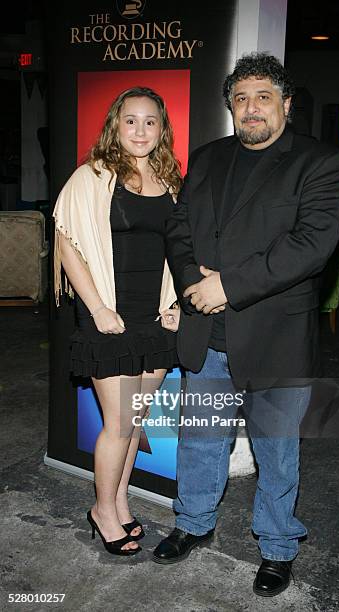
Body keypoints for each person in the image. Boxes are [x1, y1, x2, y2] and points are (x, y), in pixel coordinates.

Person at [153, 53, 339, 597]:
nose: (251, 108)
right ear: (231, 109)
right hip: (207, 333)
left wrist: (228, 286)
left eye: (263, 96)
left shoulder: (321, 162)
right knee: (200, 440)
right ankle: (192, 522)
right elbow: (178, 226)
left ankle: (278, 545)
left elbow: (310, 246)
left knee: (276, 449)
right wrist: (195, 281)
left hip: (274, 336)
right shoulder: (209, 158)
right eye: (240, 99)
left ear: (286, 104)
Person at [53, 86, 181, 556]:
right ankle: (102, 510)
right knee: (120, 423)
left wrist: (176, 302)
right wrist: (99, 309)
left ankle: (119, 500)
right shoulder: (92, 176)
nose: (141, 130)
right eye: (131, 121)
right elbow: (68, 246)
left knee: (136, 417)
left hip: (154, 316)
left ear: (162, 128)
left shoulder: (170, 179)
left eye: (151, 121)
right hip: (108, 313)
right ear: (115, 125)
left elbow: (178, 249)